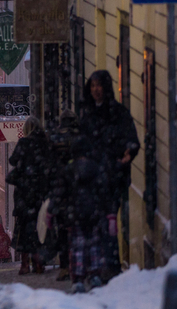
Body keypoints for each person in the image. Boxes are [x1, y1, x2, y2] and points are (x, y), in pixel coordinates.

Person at [79, 70, 140, 279]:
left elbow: (130, 138)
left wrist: (127, 154)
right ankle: (98, 265)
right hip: (93, 177)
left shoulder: (117, 112)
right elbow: (81, 143)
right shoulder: (87, 113)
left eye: (99, 85)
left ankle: (110, 265)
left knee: (109, 220)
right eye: (93, 85)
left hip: (113, 176)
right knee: (97, 221)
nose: (96, 90)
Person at [57, 133, 112, 293]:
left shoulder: (69, 169)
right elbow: (104, 192)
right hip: (94, 213)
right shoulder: (96, 168)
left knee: (77, 246)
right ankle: (94, 274)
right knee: (94, 244)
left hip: (74, 214)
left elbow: (60, 192)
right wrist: (109, 213)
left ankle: (78, 278)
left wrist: (54, 211)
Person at [7, 116, 51, 275]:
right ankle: (38, 262)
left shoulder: (24, 143)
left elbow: (12, 161)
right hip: (40, 191)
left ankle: (25, 264)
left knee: (24, 228)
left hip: (24, 192)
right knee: (39, 228)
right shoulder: (44, 144)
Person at [48, 110, 80, 281]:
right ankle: (77, 263)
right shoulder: (79, 137)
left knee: (61, 230)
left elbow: (50, 164)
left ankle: (64, 267)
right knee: (77, 228)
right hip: (77, 188)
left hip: (60, 188)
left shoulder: (55, 138)